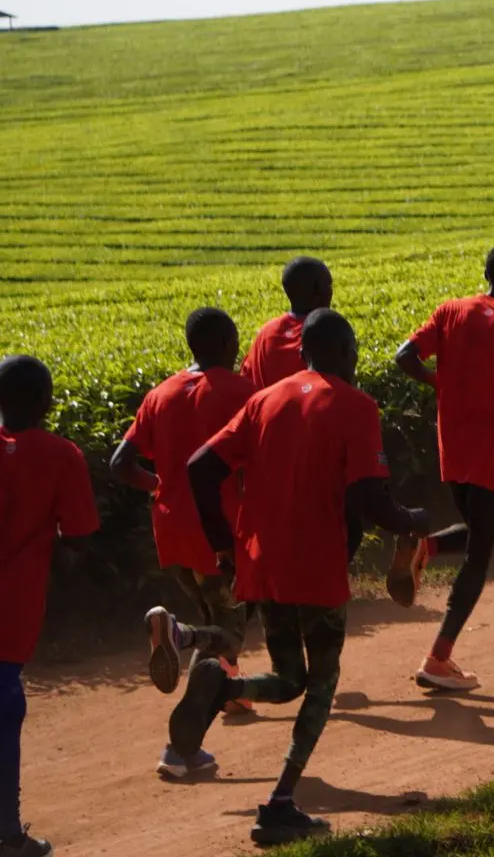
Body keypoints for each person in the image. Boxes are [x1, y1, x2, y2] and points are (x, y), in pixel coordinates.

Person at [170, 310, 430, 847]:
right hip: (314, 566)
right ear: (338, 351)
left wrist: (224, 544)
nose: (357, 361)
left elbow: (200, 466)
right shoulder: (356, 406)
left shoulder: (264, 400)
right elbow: (369, 499)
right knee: (323, 683)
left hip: (261, 564)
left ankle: (224, 685)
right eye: (353, 350)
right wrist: (410, 521)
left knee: (290, 679)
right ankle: (281, 803)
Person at [389, 244, 494, 691]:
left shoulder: (451, 310)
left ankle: (428, 547)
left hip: (453, 447)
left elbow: (404, 355)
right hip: (492, 448)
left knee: (481, 531)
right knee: (480, 554)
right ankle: (438, 657)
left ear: (486, 274)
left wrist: (435, 381)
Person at [110, 308, 259, 732]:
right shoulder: (242, 391)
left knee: (220, 614)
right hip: (218, 533)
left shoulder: (161, 394)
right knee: (225, 632)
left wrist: (159, 485)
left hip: (171, 530)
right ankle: (182, 740)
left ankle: (229, 693)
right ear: (227, 344)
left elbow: (120, 463)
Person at [0, 355, 99, 857]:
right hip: (10, 609)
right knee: (4, 709)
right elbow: (79, 537)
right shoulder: (61, 455)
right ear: (48, 401)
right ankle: (7, 832)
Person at [243, 257, 332, 389]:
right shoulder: (327, 331)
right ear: (318, 289)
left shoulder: (266, 332)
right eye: (329, 284)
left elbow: (247, 377)